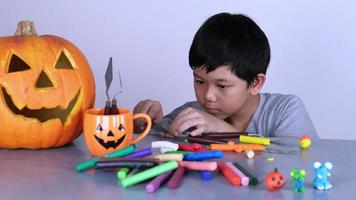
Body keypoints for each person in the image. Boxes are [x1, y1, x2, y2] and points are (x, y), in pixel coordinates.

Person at [133, 12, 318, 139]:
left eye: (222, 85)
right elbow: (150, 148)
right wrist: (143, 125)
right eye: (199, 81)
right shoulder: (191, 114)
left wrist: (223, 130)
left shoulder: (284, 110)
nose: (208, 96)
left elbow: (302, 161)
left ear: (255, 82)